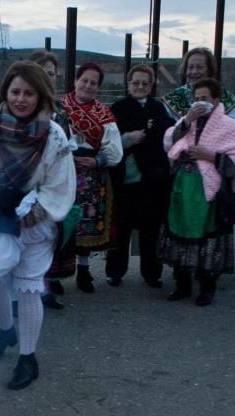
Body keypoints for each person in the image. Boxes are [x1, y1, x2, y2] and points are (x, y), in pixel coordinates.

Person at [0, 61, 75, 389]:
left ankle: (28, 357)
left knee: (28, 284)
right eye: (15, 91)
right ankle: (5, 332)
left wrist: (30, 213)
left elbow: (60, 183)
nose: (21, 99)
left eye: (29, 93)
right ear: (6, 92)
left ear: (41, 95)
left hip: (34, 219)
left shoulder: (54, 134)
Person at [161, 78, 235, 306]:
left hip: (210, 191)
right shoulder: (187, 120)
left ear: (216, 100)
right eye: (196, 99)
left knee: (208, 240)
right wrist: (187, 120)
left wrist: (210, 156)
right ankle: (182, 284)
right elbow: (169, 143)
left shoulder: (228, 126)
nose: (200, 102)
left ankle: (207, 287)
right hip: (183, 188)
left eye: (205, 98)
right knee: (179, 234)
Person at [107, 64, 174, 289]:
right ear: (129, 84)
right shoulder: (118, 107)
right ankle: (115, 272)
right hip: (126, 179)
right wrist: (132, 135)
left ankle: (152, 273)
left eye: (145, 83)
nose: (140, 86)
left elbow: (166, 135)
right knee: (122, 229)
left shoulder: (158, 107)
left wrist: (145, 131)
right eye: (136, 82)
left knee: (151, 229)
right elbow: (110, 138)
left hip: (152, 180)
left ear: (151, 85)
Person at [59, 63, 123, 293]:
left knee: (86, 224)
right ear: (76, 80)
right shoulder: (59, 107)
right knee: (60, 222)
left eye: (93, 82)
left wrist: (97, 161)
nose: (87, 85)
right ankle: (55, 275)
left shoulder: (104, 114)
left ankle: (84, 272)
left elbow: (115, 150)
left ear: (98, 87)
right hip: (62, 172)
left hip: (91, 175)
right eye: (84, 80)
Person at [27, 50, 74, 309]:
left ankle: (42, 286)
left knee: (47, 236)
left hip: (53, 181)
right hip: (27, 182)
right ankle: (19, 293)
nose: (49, 78)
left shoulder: (60, 110)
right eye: (44, 72)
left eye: (52, 74)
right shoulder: (20, 106)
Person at [163, 47, 235, 126]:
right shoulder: (173, 99)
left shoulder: (224, 96)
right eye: (190, 67)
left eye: (200, 67)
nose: (194, 71)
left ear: (209, 70)